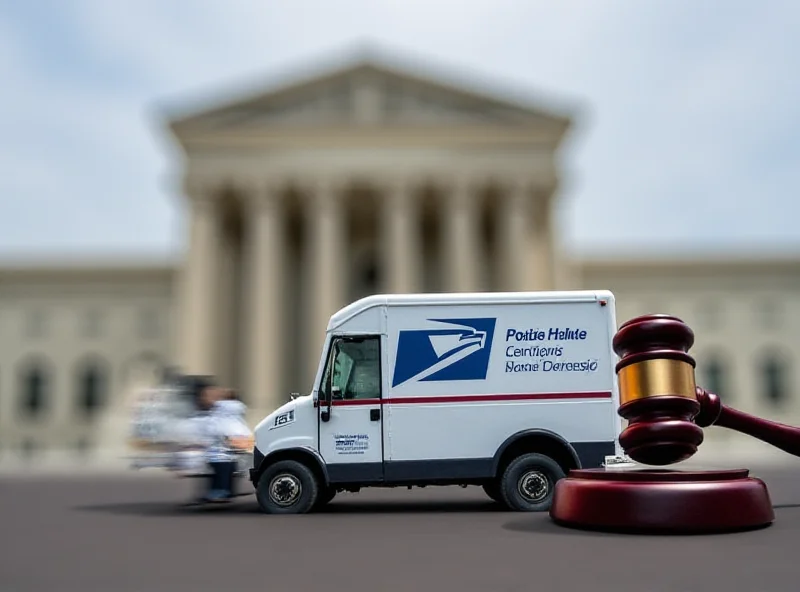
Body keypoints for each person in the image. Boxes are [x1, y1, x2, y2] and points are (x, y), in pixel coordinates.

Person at [203, 388, 251, 502]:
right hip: (228, 454)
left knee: (220, 473)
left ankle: (219, 491)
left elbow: (216, 430)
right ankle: (223, 491)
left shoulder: (219, 413)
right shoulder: (235, 415)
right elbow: (237, 433)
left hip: (218, 454)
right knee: (227, 472)